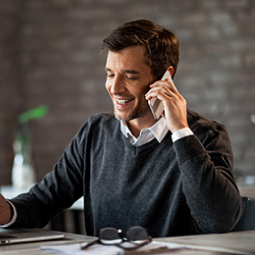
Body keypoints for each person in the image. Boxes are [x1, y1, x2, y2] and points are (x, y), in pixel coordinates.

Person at [0, 19, 244, 238]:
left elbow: (219, 221)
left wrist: (180, 130)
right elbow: (42, 202)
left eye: (129, 76)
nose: (115, 88)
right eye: (110, 74)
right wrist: (6, 211)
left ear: (165, 78)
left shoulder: (204, 135)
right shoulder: (94, 133)